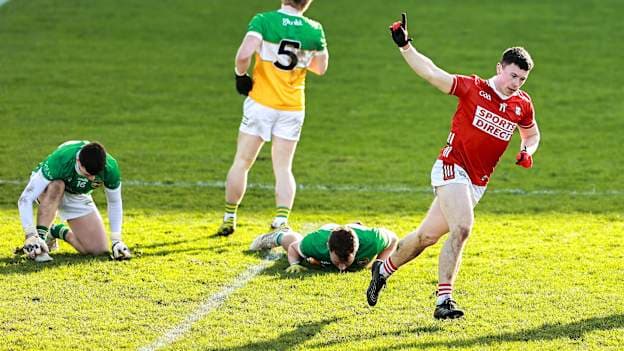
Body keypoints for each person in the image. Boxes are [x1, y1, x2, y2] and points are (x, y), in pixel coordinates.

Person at [366, 14, 541, 319]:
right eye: (512, 76)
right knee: (462, 227)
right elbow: (433, 73)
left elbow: (531, 133)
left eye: (522, 79)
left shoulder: (522, 104)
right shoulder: (473, 88)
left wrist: (527, 150)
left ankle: (383, 268)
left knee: (425, 238)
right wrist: (406, 46)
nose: (516, 84)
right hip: (451, 166)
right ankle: (443, 301)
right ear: (499, 68)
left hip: (476, 182)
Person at [216, 0, 329, 236]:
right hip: (292, 106)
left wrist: (240, 75)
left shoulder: (264, 20)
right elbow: (321, 67)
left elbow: (244, 54)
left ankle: (229, 216)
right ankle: (280, 219)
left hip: (261, 103)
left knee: (242, 162)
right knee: (283, 167)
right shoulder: (314, 29)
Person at [17, 140, 131, 262]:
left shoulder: (110, 167)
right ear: (78, 162)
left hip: (77, 193)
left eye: (94, 175)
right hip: (50, 187)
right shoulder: (61, 159)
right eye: (87, 174)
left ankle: (56, 231)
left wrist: (116, 240)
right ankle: (39, 242)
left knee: (98, 250)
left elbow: (114, 202)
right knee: (57, 185)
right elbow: (25, 199)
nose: (92, 178)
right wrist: (30, 235)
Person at [250, 223, 398, 273]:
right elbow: (294, 249)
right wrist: (294, 264)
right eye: (338, 260)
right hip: (329, 229)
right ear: (329, 249)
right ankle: (280, 235)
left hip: (356, 229)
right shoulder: (316, 242)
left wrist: (380, 264)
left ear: (356, 249)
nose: (341, 267)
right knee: (294, 242)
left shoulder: (373, 240)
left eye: (346, 260)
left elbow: (393, 240)